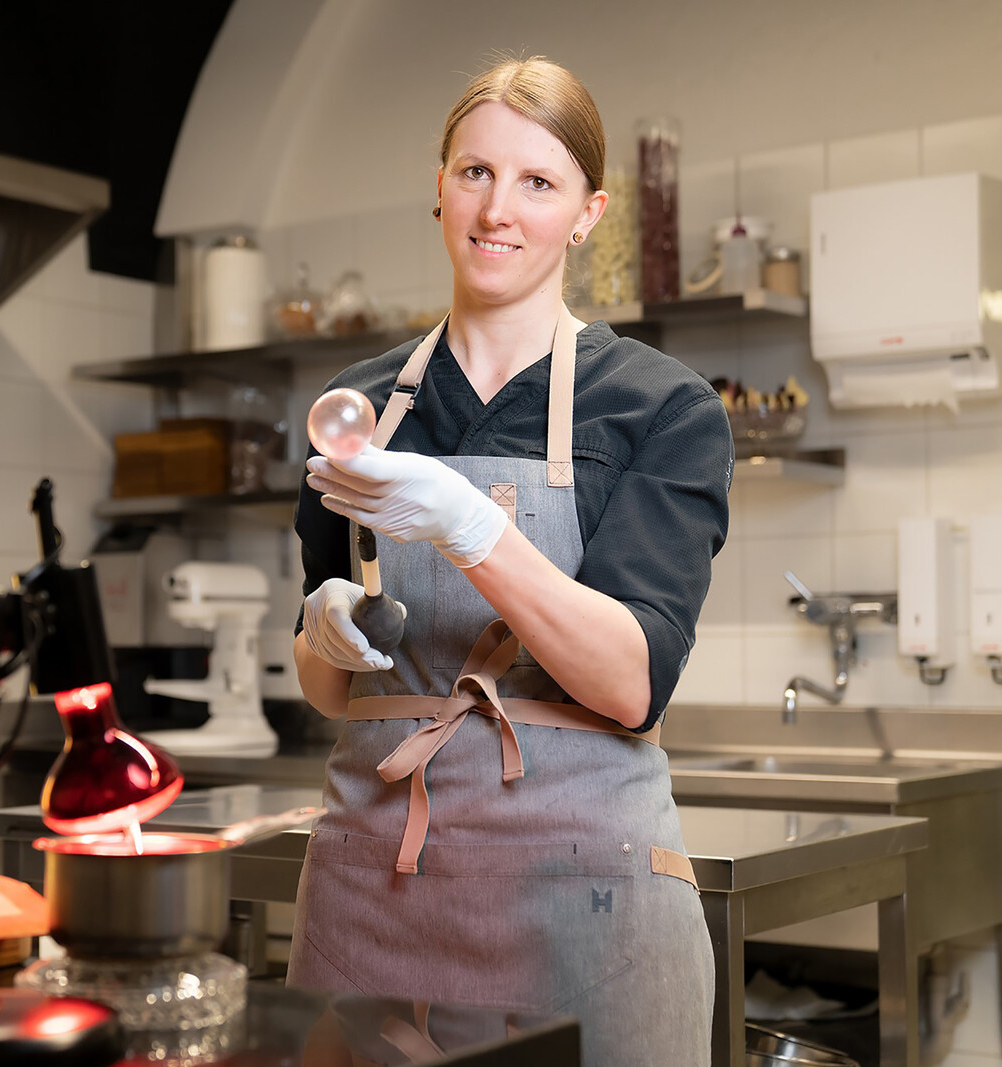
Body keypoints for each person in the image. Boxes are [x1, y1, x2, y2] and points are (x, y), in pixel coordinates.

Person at [287, 55, 731, 1066]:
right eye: (475, 172)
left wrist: (469, 527)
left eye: (538, 182)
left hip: (583, 901)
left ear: (587, 213)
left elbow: (628, 682)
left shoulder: (660, 407)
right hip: (372, 892)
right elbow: (329, 692)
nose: (497, 209)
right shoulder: (358, 410)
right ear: (439, 187)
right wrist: (323, 632)